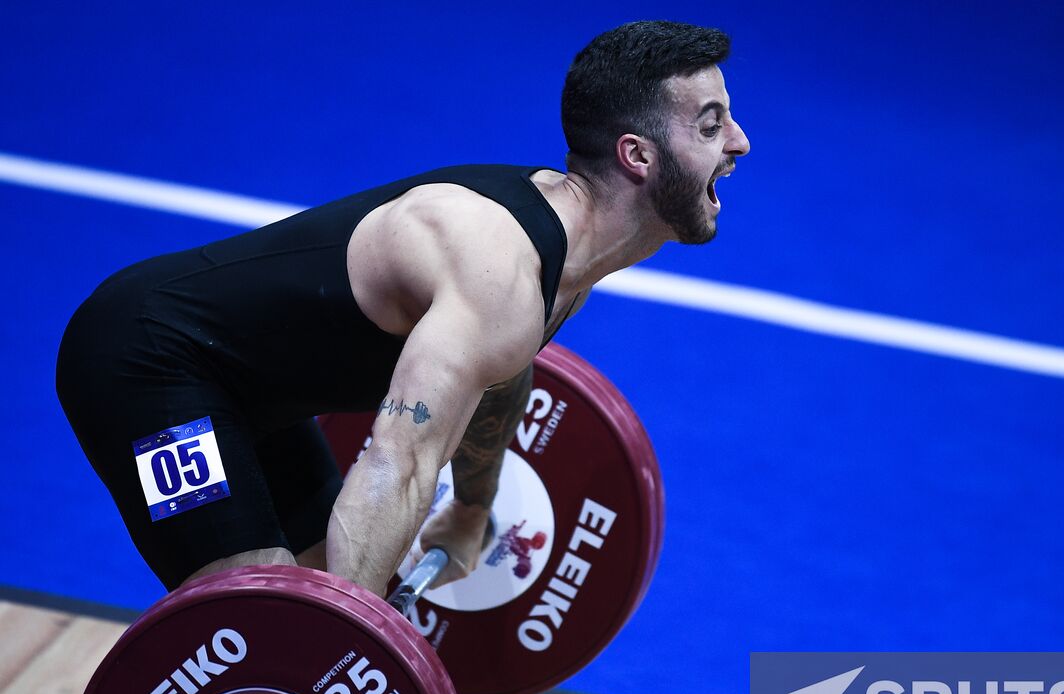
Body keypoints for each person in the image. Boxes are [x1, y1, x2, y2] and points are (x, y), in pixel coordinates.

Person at [55, 21, 750, 597]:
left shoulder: (565, 260)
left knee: (333, 585)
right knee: (262, 607)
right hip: (144, 366)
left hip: (255, 399)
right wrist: (333, 642)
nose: (738, 142)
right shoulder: (495, 264)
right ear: (638, 155)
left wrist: (473, 508)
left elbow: (501, 381)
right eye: (711, 126)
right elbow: (399, 461)